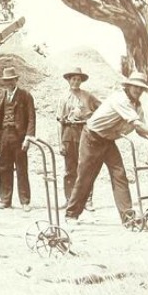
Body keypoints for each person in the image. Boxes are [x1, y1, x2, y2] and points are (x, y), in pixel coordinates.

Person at [65, 71, 148, 226]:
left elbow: (140, 131)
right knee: (86, 176)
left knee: (119, 174)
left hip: (108, 141)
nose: (138, 91)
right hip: (92, 137)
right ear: (128, 86)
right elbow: (137, 125)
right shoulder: (120, 99)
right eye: (135, 87)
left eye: (141, 88)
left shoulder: (137, 107)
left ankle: (128, 218)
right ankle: (71, 214)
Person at [0, 67, 36, 212]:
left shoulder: (25, 95)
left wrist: (28, 137)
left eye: (11, 80)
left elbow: (31, 118)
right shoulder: (2, 96)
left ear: (16, 80)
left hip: (19, 137)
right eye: (6, 81)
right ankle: (5, 200)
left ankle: (25, 201)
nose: (9, 83)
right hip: (4, 136)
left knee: (22, 169)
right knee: (4, 168)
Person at [56, 67, 101, 210]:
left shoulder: (87, 96)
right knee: (70, 169)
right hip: (69, 134)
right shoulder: (63, 98)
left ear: (81, 81)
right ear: (68, 80)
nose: (76, 82)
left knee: (86, 167)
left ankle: (88, 200)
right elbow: (60, 123)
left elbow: (102, 109)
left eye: (78, 79)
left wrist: (90, 118)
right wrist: (60, 143)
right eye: (73, 79)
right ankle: (69, 199)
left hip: (84, 133)